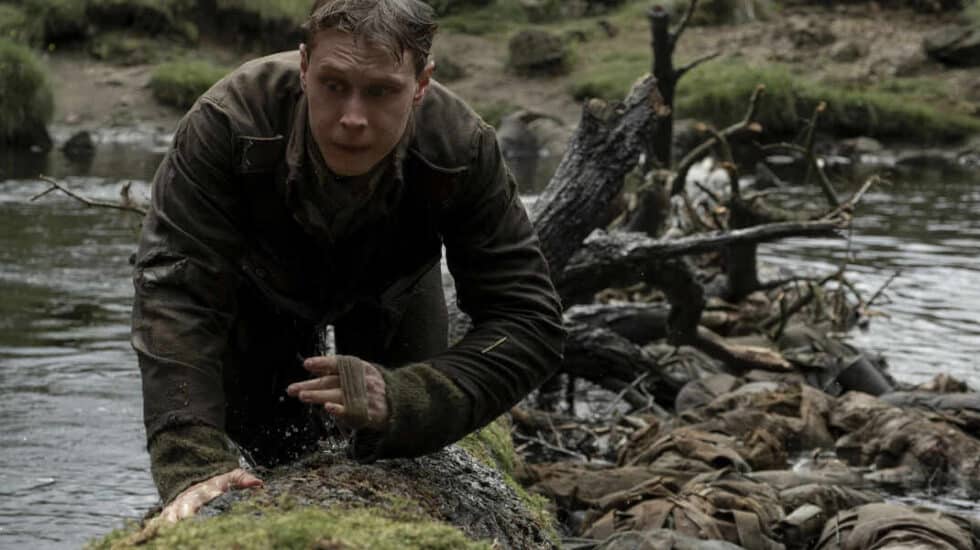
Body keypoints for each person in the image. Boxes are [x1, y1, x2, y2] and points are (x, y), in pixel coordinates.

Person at [131, 0, 565, 522]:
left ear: (422, 83)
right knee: (267, 459)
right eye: (333, 85)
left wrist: (403, 398)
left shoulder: (460, 147)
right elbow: (177, 292)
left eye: (381, 91)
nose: (352, 118)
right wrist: (192, 465)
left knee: (403, 455)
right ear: (304, 67)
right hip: (257, 296)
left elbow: (528, 321)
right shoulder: (229, 121)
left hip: (396, 293)